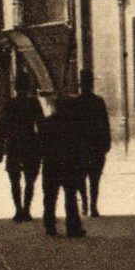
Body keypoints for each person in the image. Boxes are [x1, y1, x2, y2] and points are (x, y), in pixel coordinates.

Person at [0, 71, 47, 221]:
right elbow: (41, 125)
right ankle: (26, 209)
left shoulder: (9, 104)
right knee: (30, 180)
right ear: (28, 86)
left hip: (14, 145)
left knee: (14, 180)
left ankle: (18, 210)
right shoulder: (33, 103)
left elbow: (1, 128)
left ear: (15, 87)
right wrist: (44, 145)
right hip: (31, 144)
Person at [40, 94, 87, 238]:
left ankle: (50, 226)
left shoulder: (47, 123)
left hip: (50, 164)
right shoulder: (74, 125)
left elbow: (41, 145)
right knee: (70, 196)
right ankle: (73, 228)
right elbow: (79, 146)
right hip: (68, 164)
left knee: (49, 197)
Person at [73, 68, 111, 217]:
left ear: (80, 84)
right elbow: (105, 123)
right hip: (95, 145)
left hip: (81, 145)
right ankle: (93, 206)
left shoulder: (76, 103)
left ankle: (85, 203)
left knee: (81, 177)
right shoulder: (98, 102)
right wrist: (107, 142)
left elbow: (71, 126)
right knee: (95, 178)